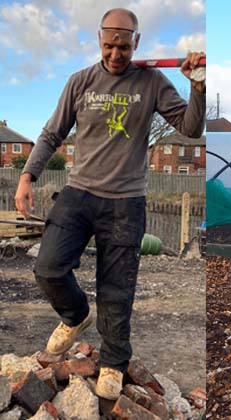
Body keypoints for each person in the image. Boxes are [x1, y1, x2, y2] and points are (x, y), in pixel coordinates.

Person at [14, 8, 205, 400]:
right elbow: (52, 133)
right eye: (108, 45)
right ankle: (75, 315)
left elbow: (190, 127)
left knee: (117, 291)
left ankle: (115, 360)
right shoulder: (80, 81)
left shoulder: (152, 81)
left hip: (125, 201)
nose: (116, 54)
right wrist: (26, 175)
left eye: (123, 46)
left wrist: (198, 86)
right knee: (48, 267)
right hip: (79, 192)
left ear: (137, 42)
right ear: (99, 40)